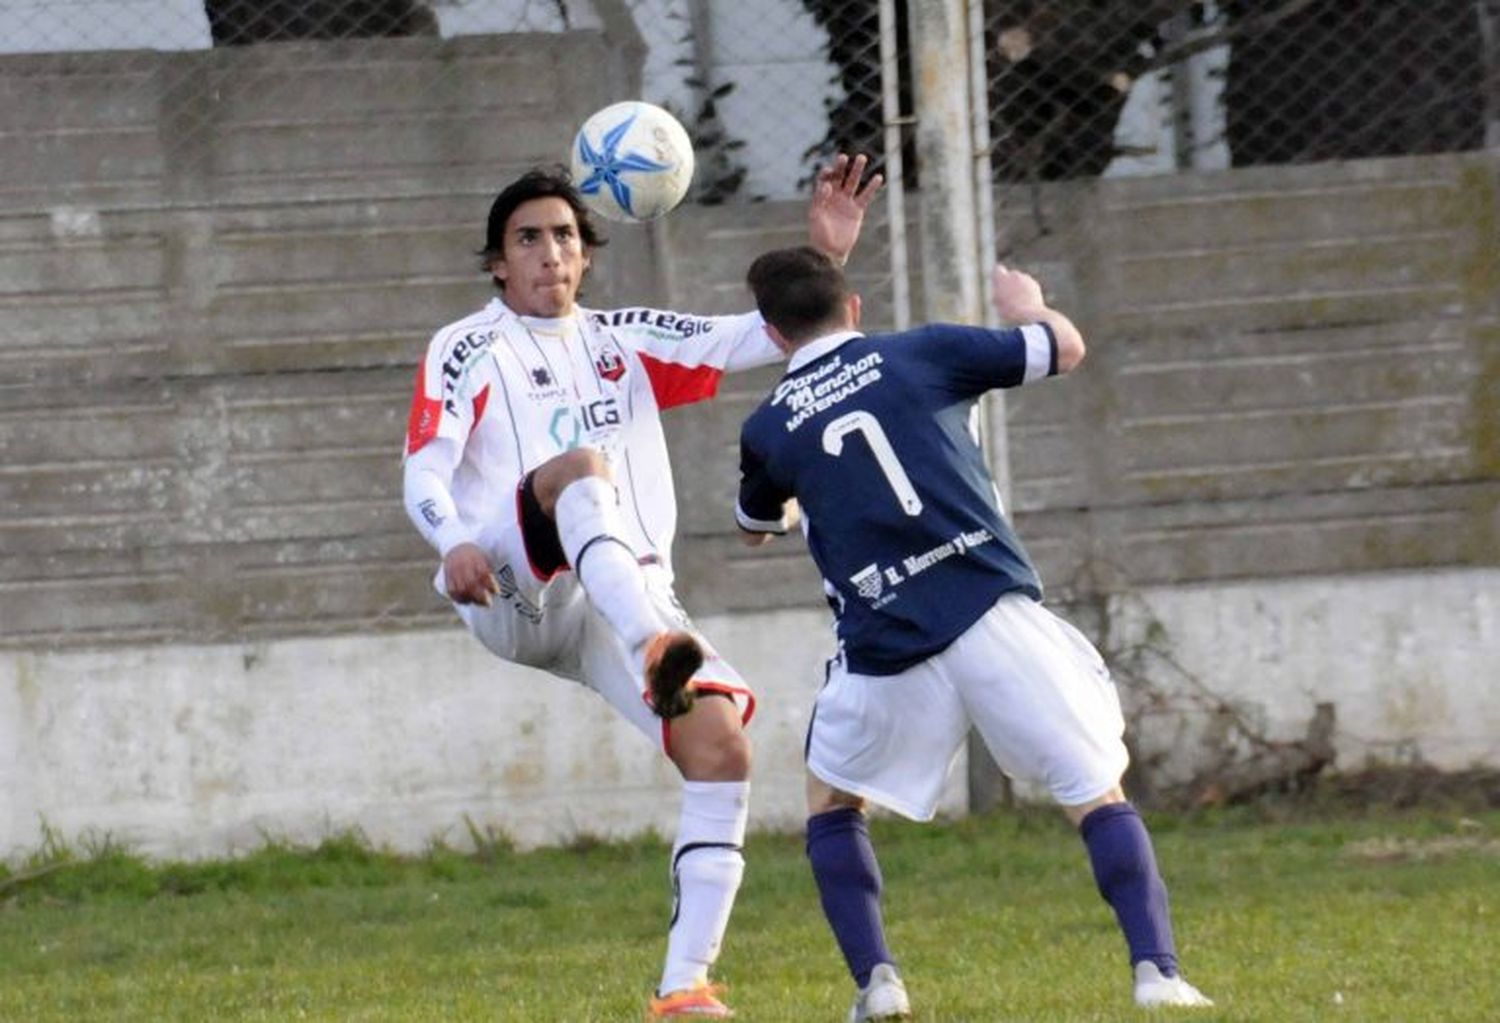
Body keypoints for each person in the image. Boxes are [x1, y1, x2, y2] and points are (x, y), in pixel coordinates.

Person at [402, 158, 882, 1018]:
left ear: (586, 255)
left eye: (564, 236)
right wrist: (453, 544)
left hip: (610, 601)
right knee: (581, 471)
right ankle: (653, 641)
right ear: (498, 263)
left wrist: (827, 254)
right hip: (509, 582)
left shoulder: (623, 340)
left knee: (721, 745)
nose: (550, 251)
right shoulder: (468, 346)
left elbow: (771, 334)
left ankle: (683, 988)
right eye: (528, 239)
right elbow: (424, 467)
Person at [734, 246, 1213, 1019]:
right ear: (853, 308)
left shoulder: (767, 427)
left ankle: (879, 981)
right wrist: (1028, 305)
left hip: (886, 646)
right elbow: (1066, 347)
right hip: (994, 617)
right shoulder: (924, 350)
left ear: (773, 334)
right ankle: (1157, 973)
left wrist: (802, 494)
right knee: (1094, 793)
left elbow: (757, 524)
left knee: (832, 800)